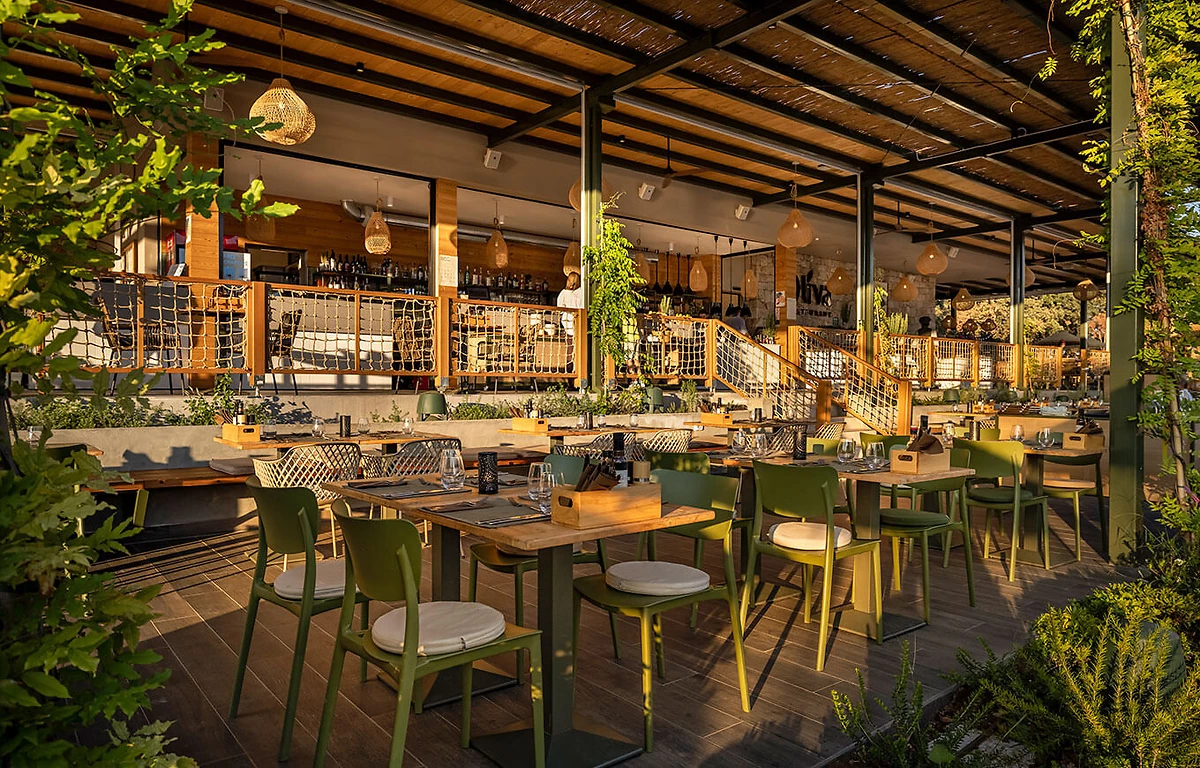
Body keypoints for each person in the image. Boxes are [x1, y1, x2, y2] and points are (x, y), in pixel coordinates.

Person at [558, 271, 584, 335]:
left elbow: (560, 308)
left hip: (568, 319)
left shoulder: (564, 293)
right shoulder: (582, 292)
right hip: (579, 318)